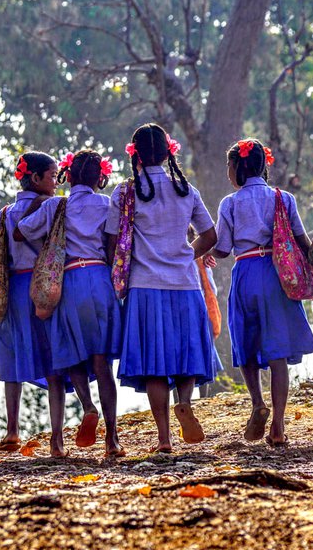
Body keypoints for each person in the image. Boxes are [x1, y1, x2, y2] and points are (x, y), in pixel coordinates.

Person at [107, 123, 218, 453]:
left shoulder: (125, 192)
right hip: (185, 284)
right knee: (186, 355)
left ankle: (164, 438)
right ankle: (184, 401)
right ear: (170, 152)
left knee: (155, 365)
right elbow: (210, 236)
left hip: (145, 286)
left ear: (136, 153)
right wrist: (187, 253)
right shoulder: (186, 190)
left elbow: (113, 240)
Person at [210, 138, 313, 445]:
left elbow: (223, 247)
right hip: (277, 273)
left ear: (239, 167)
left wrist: (203, 252)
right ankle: (280, 425)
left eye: (229, 166)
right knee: (278, 351)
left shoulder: (229, 203)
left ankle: (258, 402)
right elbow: (301, 240)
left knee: (246, 341)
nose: (228, 173)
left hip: (245, 272)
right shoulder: (283, 199)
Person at [18, 150, 123, 456]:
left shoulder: (55, 205)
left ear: (69, 176)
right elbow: (114, 242)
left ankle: (88, 405)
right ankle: (112, 439)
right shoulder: (107, 204)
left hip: (68, 281)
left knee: (73, 355)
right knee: (102, 362)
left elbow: (23, 230)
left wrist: (48, 244)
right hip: (100, 279)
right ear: (99, 179)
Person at [0, 152, 70, 457]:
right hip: (45, 288)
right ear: (35, 178)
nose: (56, 182)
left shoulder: (3, 214)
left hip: (14, 290)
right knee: (54, 359)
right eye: (52, 176)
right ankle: (57, 438)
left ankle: (12, 430)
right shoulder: (54, 206)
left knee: (11, 355)